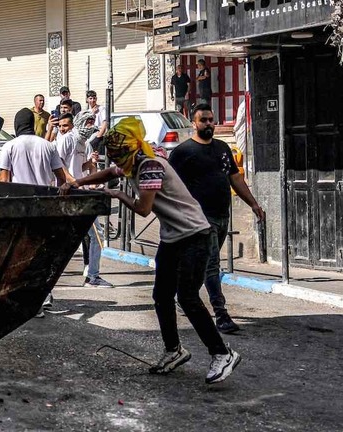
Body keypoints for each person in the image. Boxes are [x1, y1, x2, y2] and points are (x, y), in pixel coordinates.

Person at [61, 117, 241, 384]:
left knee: (188, 297)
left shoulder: (150, 166)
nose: (117, 161)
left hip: (195, 235)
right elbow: (110, 173)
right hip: (173, 238)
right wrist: (77, 182)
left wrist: (117, 195)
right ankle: (174, 350)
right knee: (161, 296)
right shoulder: (133, 162)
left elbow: (143, 209)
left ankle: (222, 353)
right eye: (114, 156)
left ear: (131, 148)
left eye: (120, 155)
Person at [169, 103, 266, 334]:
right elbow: (171, 186)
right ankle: (221, 315)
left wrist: (253, 204)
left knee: (201, 264)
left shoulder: (223, 148)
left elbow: (236, 179)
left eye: (212, 119)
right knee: (212, 264)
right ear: (194, 123)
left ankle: (181, 295)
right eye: (204, 120)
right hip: (200, 220)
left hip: (223, 216)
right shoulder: (183, 153)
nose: (209, 124)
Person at [54, 111, 111, 287]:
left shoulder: (82, 142)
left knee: (87, 235)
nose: (90, 126)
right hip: (72, 194)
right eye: (87, 123)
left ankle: (92, 275)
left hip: (79, 192)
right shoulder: (67, 139)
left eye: (92, 123)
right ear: (77, 124)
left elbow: (80, 167)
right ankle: (92, 276)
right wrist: (72, 182)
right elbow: (58, 165)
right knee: (94, 234)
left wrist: (91, 164)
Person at [0, 108, 67, 187]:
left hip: (21, 197)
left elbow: (3, 180)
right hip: (45, 196)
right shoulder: (49, 146)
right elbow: (61, 178)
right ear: (32, 124)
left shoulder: (9, 146)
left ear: (16, 125)